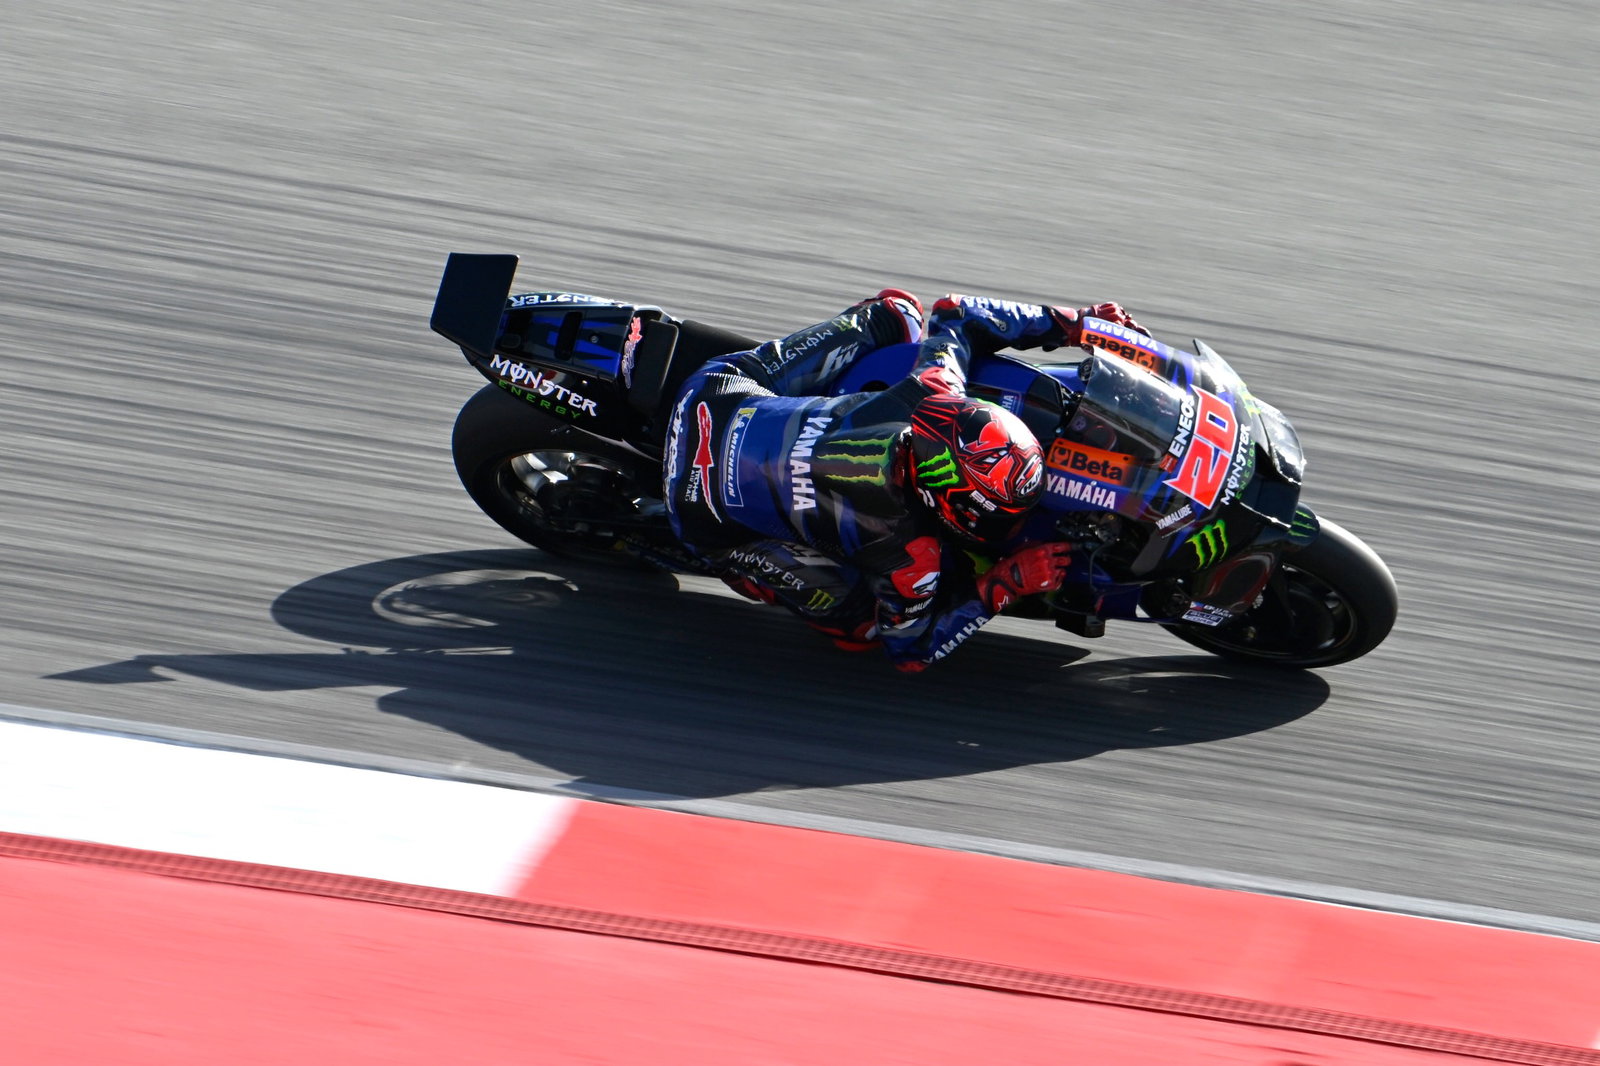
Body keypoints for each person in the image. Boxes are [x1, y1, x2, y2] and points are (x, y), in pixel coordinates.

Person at [663, 288, 1148, 672]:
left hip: (715, 394)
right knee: (861, 631)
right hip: (699, 508)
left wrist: (1075, 323)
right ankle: (738, 567)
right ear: (947, 504)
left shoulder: (934, 389)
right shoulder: (911, 556)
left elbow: (955, 313)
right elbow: (910, 649)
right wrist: (1004, 583)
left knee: (898, 312)